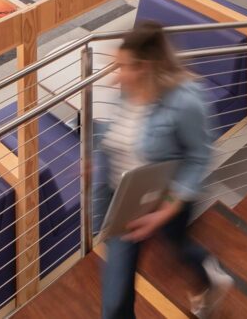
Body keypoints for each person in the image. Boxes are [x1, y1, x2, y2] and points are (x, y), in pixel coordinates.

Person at [94, 22, 232, 319]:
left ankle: (209, 276)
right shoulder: (124, 92)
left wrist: (164, 211)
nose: (115, 76)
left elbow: (198, 157)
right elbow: (111, 139)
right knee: (115, 300)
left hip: (168, 198)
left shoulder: (185, 101)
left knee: (179, 247)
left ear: (144, 67)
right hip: (125, 204)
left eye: (123, 67)